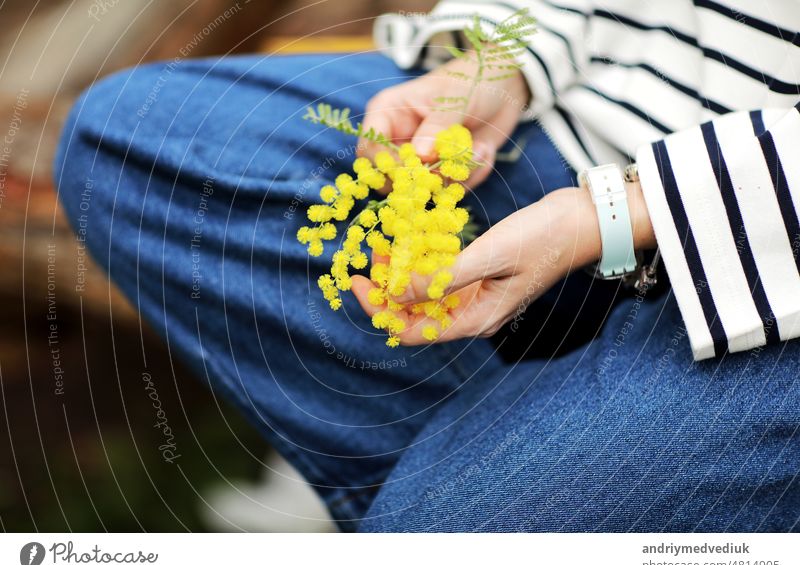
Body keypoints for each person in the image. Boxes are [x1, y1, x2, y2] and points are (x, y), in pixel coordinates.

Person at [54, 0, 800, 532]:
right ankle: (455, 478)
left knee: (435, 535)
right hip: (597, 121)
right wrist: (503, 61)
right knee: (132, 140)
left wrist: (614, 217)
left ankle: (436, 498)